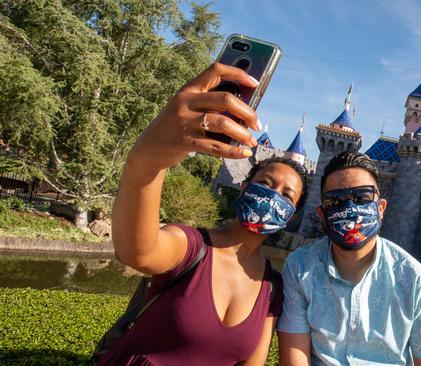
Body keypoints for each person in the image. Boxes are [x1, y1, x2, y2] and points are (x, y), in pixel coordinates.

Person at [99, 62, 308, 365]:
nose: (272, 196)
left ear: (290, 216)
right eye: (265, 184)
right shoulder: (192, 247)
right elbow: (137, 252)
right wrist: (147, 162)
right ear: (245, 187)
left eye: (286, 195)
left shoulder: (272, 286)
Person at [278, 152, 421, 366]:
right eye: (335, 201)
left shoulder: (413, 278)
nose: (350, 208)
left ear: (381, 208)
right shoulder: (300, 268)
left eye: (362, 198)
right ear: (322, 215)